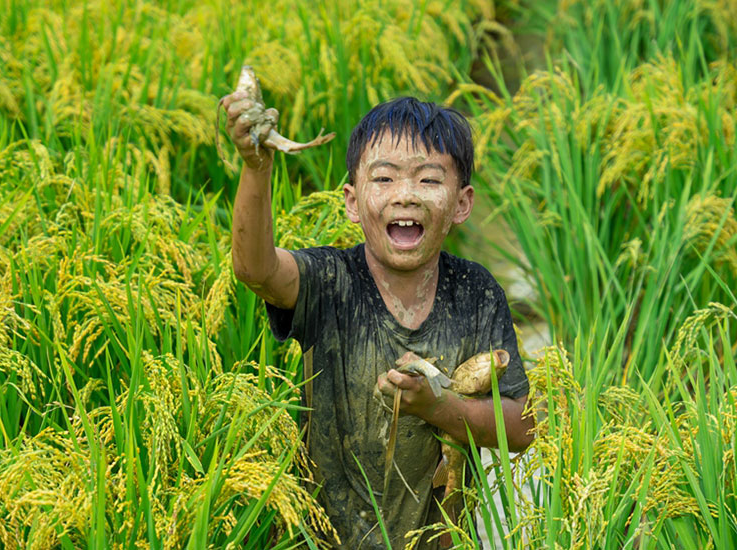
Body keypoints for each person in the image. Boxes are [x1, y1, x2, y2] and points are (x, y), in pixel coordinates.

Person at [221, 91, 534, 549]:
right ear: (352, 201)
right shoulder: (330, 282)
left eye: (429, 179)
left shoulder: (475, 292)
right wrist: (256, 166)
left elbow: (523, 425)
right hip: (321, 540)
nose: (405, 195)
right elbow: (256, 270)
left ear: (462, 203)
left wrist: (440, 408)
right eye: (384, 178)